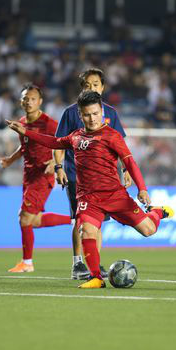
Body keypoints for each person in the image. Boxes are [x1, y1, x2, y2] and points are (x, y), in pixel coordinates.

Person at [6, 90, 174, 288]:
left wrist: (142, 189)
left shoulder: (112, 136)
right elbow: (53, 142)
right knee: (86, 231)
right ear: (80, 115)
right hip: (88, 197)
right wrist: (24, 131)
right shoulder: (75, 136)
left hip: (115, 195)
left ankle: (156, 213)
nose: (92, 118)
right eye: (87, 114)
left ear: (101, 111)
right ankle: (96, 277)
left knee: (148, 230)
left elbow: (130, 162)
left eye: (95, 113)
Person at [54, 68, 132, 280]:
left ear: (103, 87)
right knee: (80, 220)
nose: (92, 88)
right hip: (75, 176)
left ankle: (94, 263)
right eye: (87, 85)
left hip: (103, 179)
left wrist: (125, 169)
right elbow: (58, 144)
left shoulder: (111, 114)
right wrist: (58, 167)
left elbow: (120, 145)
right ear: (81, 89)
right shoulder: (71, 113)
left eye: (95, 84)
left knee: (98, 224)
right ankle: (78, 263)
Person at [0, 84, 71, 272]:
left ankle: (27, 263)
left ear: (40, 102)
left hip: (43, 175)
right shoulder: (22, 122)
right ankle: (74, 219)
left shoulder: (49, 123)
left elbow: (64, 143)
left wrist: (56, 163)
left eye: (32, 98)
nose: (28, 101)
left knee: (24, 218)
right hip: (28, 175)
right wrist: (10, 159)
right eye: (25, 98)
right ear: (21, 101)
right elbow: (25, 147)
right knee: (35, 220)